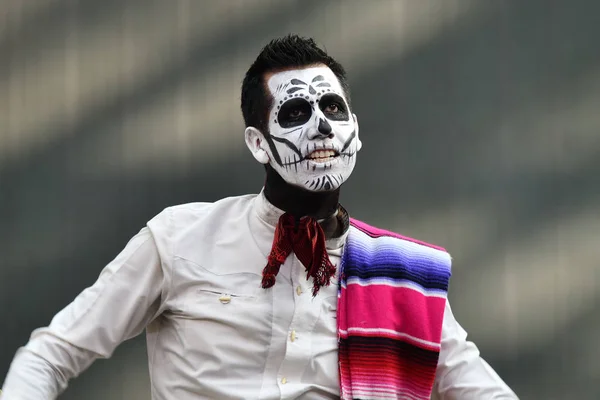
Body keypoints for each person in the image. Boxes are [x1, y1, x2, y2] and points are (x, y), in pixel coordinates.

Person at [1, 35, 518, 400]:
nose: (320, 128)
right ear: (258, 143)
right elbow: (50, 355)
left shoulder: (404, 273)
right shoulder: (180, 238)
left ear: (355, 131)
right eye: (295, 114)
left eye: (333, 110)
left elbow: (478, 389)